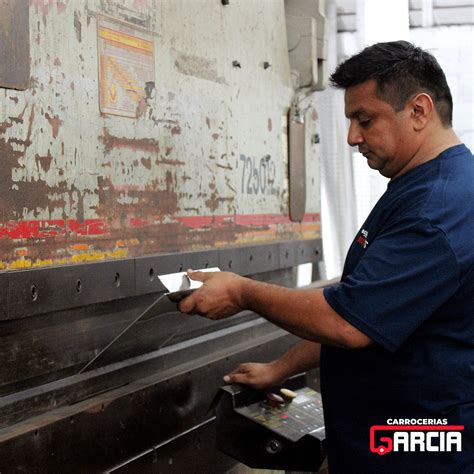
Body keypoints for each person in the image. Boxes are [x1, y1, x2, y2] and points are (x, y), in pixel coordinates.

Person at [179, 41, 474, 473]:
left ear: (419, 110)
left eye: (364, 119)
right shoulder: (420, 189)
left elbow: (348, 322)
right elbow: (371, 308)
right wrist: (279, 368)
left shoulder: (439, 209)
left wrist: (242, 291)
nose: (353, 137)